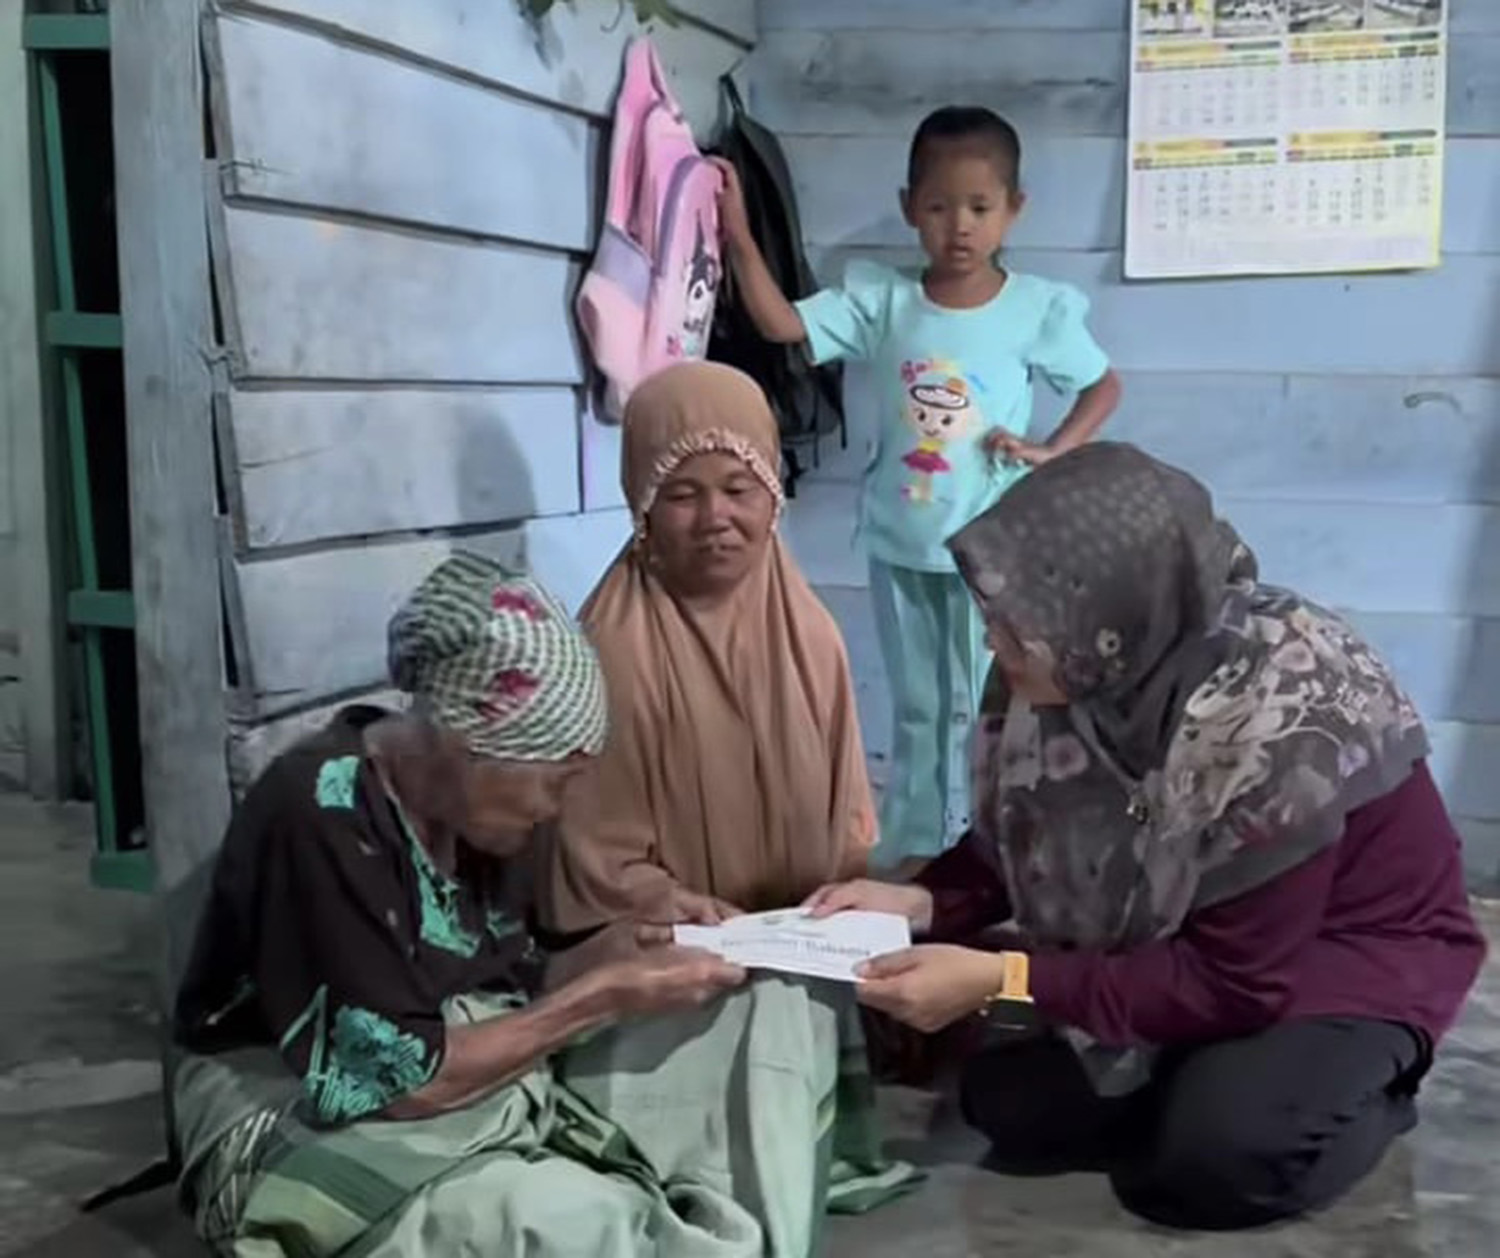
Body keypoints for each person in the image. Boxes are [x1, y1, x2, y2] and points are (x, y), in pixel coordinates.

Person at [806, 443, 1487, 1232]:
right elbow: (1020, 834)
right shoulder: (1070, 658)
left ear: (1108, 612)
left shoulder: (1280, 720)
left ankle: (1366, 1086)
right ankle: (1198, 1069)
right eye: (994, 616)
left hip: (1332, 957)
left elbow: (1234, 983)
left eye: (1012, 625)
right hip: (1182, 937)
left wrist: (1003, 977)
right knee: (1010, 1108)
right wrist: (919, 901)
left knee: (1217, 1162)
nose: (994, 642)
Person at [169, 553, 761, 1256]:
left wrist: (624, 947)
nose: (555, 808)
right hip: (286, 1099)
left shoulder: (480, 822)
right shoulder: (322, 815)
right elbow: (397, 1083)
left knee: (744, 1020)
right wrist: (603, 996)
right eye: (553, 781)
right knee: (564, 1222)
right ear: (465, 746)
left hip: (456, 1064)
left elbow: (516, 981)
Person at [714, 106, 1122, 872]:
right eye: (938, 206)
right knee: (919, 707)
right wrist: (736, 230)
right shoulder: (886, 301)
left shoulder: (1033, 309)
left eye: (979, 207)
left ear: (1013, 210)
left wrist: (1049, 452)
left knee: (983, 703)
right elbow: (779, 325)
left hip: (990, 553)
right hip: (901, 542)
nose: (959, 226)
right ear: (909, 208)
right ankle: (913, 848)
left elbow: (1102, 385)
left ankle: (988, 848)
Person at [539, 360, 877, 931]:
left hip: (809, 939)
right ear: (643, 507)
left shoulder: (809, 633)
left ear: (773, 495)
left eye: (739, 489)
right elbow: (591, 851)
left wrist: (842, 901)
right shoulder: (610, 653)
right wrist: (656, 900)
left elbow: (850, 813)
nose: (715, 517)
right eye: (681, 494)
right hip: (672, 951)